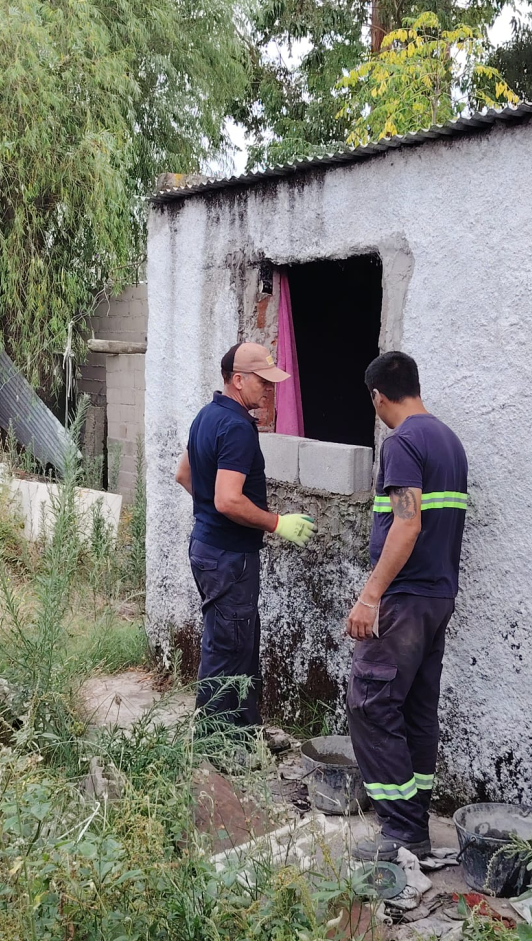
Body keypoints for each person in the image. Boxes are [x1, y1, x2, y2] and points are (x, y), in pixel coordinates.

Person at [345, 351, 468, 862]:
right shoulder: (448, 441)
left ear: (378, 397)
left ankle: (401, 830)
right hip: (437, 598)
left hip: (404, 601)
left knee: (370, 703)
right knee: (416, 708)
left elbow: (407, 522)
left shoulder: (401, 443)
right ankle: (414, 815)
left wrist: (370, 596)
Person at [175, 342, 316, 730]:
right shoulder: (237, 427)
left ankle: (243, 734)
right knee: (228, 651)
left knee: (236, 645)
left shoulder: (206, 416)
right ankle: (214, 746)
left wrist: (213, 510)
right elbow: (228, 499)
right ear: (237, 380)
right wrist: (276, 522)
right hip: (229, 557)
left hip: (208, 547)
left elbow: (184, 475)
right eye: (262, 382)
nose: (269, 390)